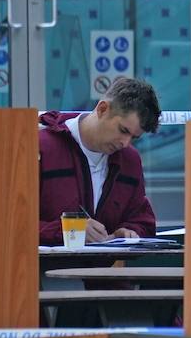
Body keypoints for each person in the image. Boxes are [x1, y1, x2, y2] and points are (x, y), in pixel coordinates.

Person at [39, 77, 162, 245]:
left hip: (102, 269)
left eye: (134, 137)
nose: (125, 143)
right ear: (102, 109)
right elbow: (10, 222)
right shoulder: (41, 147)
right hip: (39, 268)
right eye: (123, 130)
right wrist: (70, 231)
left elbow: (142, 221)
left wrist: (129, 232)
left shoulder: (130, 160)